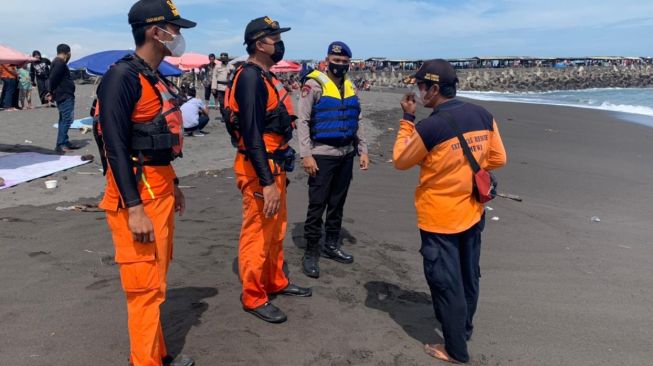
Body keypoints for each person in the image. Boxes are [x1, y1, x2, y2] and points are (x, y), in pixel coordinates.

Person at [93, 0, 197, 365]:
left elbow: (159, 143)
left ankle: (156, 353)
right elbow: (115, 146)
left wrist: (175, 183)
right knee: (143, 287)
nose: (178, 36)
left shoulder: (151, 76)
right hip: (137, 192)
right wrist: (134, 208)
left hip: (160, 183)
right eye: (175, 28)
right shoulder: (122, 77)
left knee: (156, 281)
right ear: (157, 31)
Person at [392, 59, 507, 364]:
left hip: (440, 216)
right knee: (469, 275)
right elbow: (498, 158)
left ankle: (455, 350)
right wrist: (465, 170)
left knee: (446, 282)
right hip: (473, 210)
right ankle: (464, 329)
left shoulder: (431, 126)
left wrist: (407, 119)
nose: (417, 91)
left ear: (433, 89)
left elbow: (401, 160)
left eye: (420, 86)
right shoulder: (482, 114)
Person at [228, 16, 311, 324]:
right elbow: (250, 134)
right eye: (275, 39)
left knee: (276, 228)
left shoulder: (266, 76)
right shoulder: (249, 78)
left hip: (274, 163)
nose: (279, 44)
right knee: (257, 233)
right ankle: (253, 295)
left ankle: (275, 280)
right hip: (258, 168)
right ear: (259, 43)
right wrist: (267, 182)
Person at [298, 41, 369, 278]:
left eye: (343, 62)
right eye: (335, 60)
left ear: (349, 63)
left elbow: (356, 120)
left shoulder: (350, 86)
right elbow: (303, 121)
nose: (339, 65)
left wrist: (363, 150)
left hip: (346, 153)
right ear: (327, 60)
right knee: (317, 204)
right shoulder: (313, 85)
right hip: (322, 155)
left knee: (337, 204)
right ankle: (310, 251)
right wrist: (306, 154)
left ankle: (331, 245)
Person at [46, 43, 79, 153]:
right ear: (68, 53)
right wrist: (50, 92)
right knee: (67, 119)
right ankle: (61, 144)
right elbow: (52, 78)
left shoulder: (56, 62)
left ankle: (64, 141)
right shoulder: (60, 63)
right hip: (64, 95)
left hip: (63, 94)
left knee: (63, 119)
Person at [211, 52, 234, 120]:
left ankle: (228, 116)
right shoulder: (217, 67)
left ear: (227, 59)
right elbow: (214, 77)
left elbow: (233, 77)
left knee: (228, 102)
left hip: (228, 88)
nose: (223, 60)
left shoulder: (231, 67)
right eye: (222, 59)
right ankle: (223, 116)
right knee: (221, 103)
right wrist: (213, 87)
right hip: (220, 87)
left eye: (224, 59)